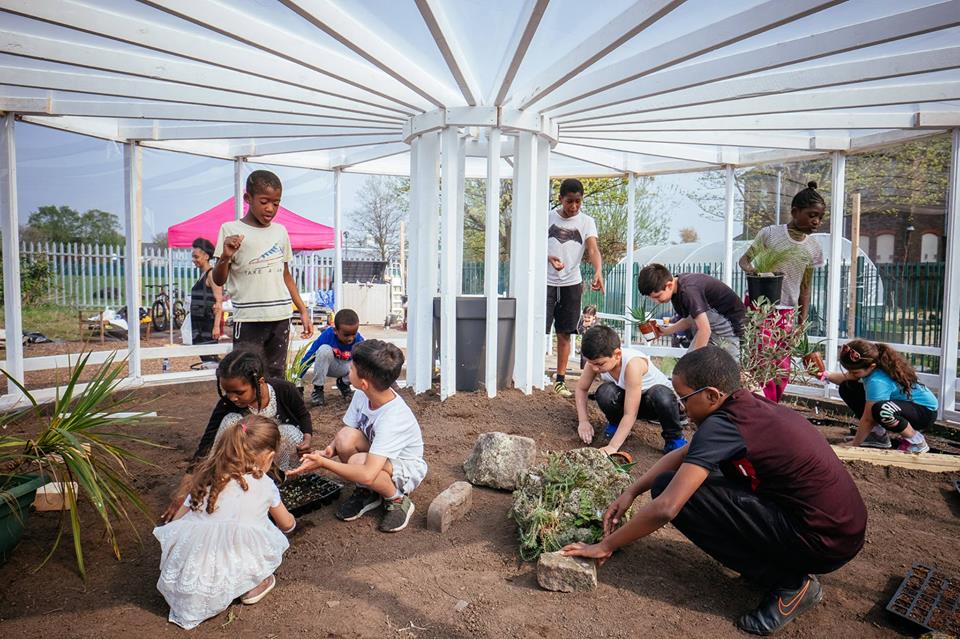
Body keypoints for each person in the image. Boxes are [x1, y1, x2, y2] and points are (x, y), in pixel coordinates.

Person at [562, 346, 866, 636]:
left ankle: (790, 584)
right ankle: (777, 563)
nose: (681, 407)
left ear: (711, 395)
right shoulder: (745, 407)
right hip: (838, 530)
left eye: (684, 398)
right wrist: (632, 490)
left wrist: (605, 545)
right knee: (694, 476)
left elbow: (667, 507)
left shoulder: (723, 425)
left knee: (676, 492)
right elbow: (683, 455)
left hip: (821, 539)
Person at [154, 415, 295, 629]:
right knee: (262, 530)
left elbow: (176, 521)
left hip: (185, 583)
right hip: (220, 579)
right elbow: (287, 525)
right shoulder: (265, 484)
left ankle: (200, 579)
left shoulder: (206, 477)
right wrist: (289, 523)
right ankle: (251, 586)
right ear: (269, 457)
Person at [289, 340, 425, 533]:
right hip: (382, 455)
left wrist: (323, 463)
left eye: (351, 367)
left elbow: (368, 472)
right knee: (345, 438)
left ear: (364, 382)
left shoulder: (393, 418)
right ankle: (368, 491)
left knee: (358, 463)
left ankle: (396, 499)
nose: (348, 370)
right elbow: (349, 430)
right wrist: (330, 450)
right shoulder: (364, 394)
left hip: (405, 467)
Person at [160, 350, 312, 522]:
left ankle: (281, 479)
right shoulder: (227, 405)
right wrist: (185, 491)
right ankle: (229, 484)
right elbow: (207, 444)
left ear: (259, 382)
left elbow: (303, 415)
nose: (232, 398)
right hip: (245, 461)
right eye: (227, 392)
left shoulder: (284, 389)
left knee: (290, 433)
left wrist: (307, 437)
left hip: (276, 454)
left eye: (239, 392)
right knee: (231, 421)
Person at [213, 169, 314, 380]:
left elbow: (286, 275)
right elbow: (218, 279)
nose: (270, 208)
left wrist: (302, 310)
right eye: (264, 201)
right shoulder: (230, 229)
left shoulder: (280, 232)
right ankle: (248, 413)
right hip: (249, 318)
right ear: (248, 198)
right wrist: (225, 256)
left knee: (276, 374)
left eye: (276, 203)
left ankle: (272, 412)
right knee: (246, 374)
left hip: (280, 317)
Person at [739, 181, 826, 402]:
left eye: (820, 217)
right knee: (762, 360)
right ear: (795, 212)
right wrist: (759, 274)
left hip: (787, 312)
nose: (816, 221)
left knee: (782, 364)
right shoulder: (770, 234)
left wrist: (801, 323)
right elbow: (745, 261)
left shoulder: (813, 247)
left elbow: (805, 288)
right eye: (811, 215)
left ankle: (773, 405)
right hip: (761, 309)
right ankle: (761, 404)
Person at [575, 325, 687, 454]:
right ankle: (616, 425)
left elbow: (630, 413)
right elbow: (581, 389)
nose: (594, 368)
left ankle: (674, 439)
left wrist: (612, 447)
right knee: (605, 392)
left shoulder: (632, 364)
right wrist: (583, 421)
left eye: (599, 364)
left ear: (617, 354)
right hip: (632, 401)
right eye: (591, 363)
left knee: (661, 394)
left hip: (659, 406)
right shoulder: (595, 362)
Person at [825, 339, 937, 453]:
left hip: (924, 412)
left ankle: (916, 441)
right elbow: (845, 378)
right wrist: (825, 375)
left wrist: (854, 445)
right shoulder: (872, 365)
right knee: (847, 387)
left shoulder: (877, 381)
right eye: (849, 370)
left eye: (855, 372)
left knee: (882, 410)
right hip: (903, 406)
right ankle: (876, 436)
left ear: (871, 366)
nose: (850, 374)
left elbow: (868, 419)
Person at [547, 178, 604, 398]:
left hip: (571, 282)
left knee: (564, 333)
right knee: (536, 329)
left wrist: (598, 270)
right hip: (545, 282)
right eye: (569, 201)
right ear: (560, 199)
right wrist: (548, 257)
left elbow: (592, 250)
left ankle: (560, 380)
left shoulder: (586, 222)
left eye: (578, 202)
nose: (573, 206)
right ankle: (529, 374)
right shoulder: (547, 218)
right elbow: (533, 245)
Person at [637, 263, 745, 358]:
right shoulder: (678, 289)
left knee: (731, 372)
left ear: (669, 285)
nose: (656, 301)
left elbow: (705, 330)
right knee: (687, 371)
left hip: (731, 330)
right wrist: (666, 331)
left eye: (658, 296)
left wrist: (693, 363)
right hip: (713, 329)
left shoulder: (688, 291)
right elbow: (692, 319)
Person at [300, 308, 364, 407]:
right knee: (323, 349)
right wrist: (297, 378)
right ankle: (318, 389)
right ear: (335, 331)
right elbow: (310, 356)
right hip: (329, 367)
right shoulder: (328, 335)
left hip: (347, 369)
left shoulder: (359, 340)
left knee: (364, 360)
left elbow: (369, 360)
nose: (350, 338)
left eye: (353, 334)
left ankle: (343, 383)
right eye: (346, 335)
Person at [189, 237, 224, 369]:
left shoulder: (211, 275)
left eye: (196, 256)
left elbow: (218, 302)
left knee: (210, 356)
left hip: (207, 324)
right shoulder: (203, 275)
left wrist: (216, 327)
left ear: (206, 256)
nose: (194, 259)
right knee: (204, 355)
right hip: (199, 323)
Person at [576, 304, 598, 370]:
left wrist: (590, 327)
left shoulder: (596, 324)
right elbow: (578, 331)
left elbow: (597, 333)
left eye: (589, 317)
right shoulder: (582, 322)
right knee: (583, 358)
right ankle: (583, 371)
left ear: (594, 317)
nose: (586, 319)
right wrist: (583, 327)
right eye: (585, 317)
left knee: (593, 359)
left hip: (594, 345)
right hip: (584, 344)